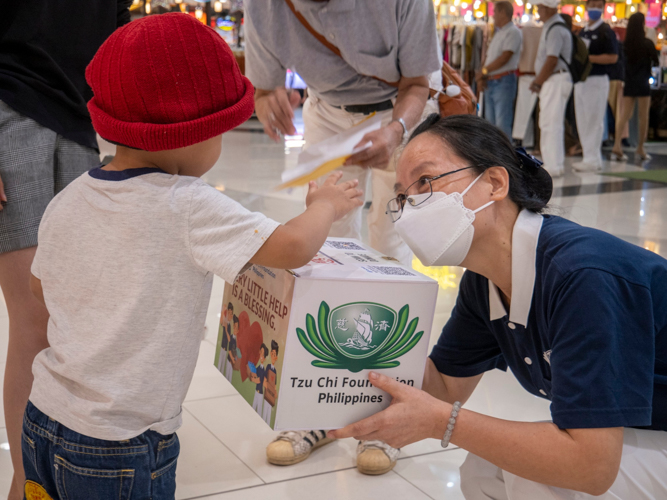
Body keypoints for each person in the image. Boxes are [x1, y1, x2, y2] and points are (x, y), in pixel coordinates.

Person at [21, 14, 364, 498]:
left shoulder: (73, 194)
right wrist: (325, 205)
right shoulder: (187, 203)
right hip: (122, 443)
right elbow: (291, 248)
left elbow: (41, 287)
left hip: (43, 417)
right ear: (190, 134)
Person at [331, 114, 667, 500]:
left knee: (539, 477)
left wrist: (444, 423)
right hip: (648, 428)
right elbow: (442, 387)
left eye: (425, 182)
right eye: (403, 196)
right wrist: (346, 349)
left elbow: (591, 466)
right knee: (483, 471)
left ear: (494, 182)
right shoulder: (486, 281)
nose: (410, 209)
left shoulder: (582, 275)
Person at [244, 0, 442, 474]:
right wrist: (264, 94)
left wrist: (395, 130)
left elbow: (418, 82)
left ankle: (386, 415)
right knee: (324, 247)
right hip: (328, 114)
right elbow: (264, 82)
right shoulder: (264, 5)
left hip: (401, 116)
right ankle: (312, 411)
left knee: (390, 246)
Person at [0, 2, 131, 498]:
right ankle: (24, 482)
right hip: (10, 109)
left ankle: (54, 467)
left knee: (70, 317)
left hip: (79, 120)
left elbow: (116, 30)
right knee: (33, 318)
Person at [572, 0, 619, 172]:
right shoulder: (583, 31)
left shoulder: (606, 31)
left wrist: (588, 59)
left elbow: (613, 57)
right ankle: (588, 156)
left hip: (597, 80)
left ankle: (593, 157)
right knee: (583, 119)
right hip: (581, 81)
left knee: (594, 120)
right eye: (593, 4)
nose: (595, 8)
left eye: (599, 5)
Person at [530, 0, 573, 178]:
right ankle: (555, 163)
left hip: (555, 79)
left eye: (539, 7)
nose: (538, 11)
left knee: (550, 123)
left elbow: (552, 59)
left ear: (547, 7)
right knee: (550, 122)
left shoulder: (555, 28)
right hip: (554, 79)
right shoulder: (553, 26)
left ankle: (553, 165)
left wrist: (538, 81)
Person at [611, 12, 659, 162]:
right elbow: (656, 61)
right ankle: (640, 147)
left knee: (625, 114)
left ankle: (617, 144)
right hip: (643, 81)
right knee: (643, 116)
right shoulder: (647, 44)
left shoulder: (626, 45)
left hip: (630, 81)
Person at [477, 1, 522, 138]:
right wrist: (483, 75)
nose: (493, 15)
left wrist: (484, 71)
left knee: (502, 123)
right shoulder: (499, 33)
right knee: (491, 125)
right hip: (492, 82)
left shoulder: (513, 32)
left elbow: (505, 57)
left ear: (503, 12)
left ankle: (504, 158)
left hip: (503, 81)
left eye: (495, 12)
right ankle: (493, 157)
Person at [263, 340, 279, 425]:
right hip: (267, 395)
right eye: (272, 354)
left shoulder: (275, 371)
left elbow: (275, 386)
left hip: (271, 397)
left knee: (269, 416)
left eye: (274, 355)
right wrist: (268, 389)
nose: (273, 356)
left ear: (276, 357)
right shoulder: (268, 367)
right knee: (264, 413)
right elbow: (264, 381)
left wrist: (274, 393)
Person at [251, 344, 268, 415]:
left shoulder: (264, 371)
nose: (261, 356)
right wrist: (253, 378)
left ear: (264, 358)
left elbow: (265, 382)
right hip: (256, 392)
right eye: (261, 352)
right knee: (253, 407)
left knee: (259, 411)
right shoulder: (258, 368)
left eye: (263, 355)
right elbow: (253, 374)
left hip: (260, 394)